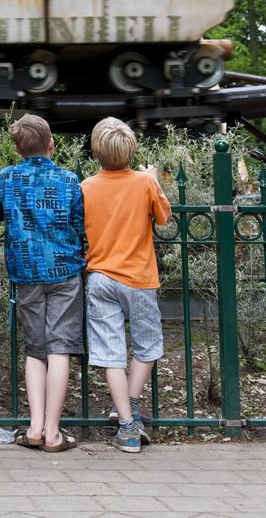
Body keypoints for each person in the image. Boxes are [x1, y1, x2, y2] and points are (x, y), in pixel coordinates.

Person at [0, 115, 84, 453]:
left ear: (16, 148)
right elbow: (78, 221)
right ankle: (54, 432)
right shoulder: (69, 179)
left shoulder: (8, 177)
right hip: (64, 271)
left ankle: (34, 426)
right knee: (60, 347)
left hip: (26, 270)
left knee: (35, 349)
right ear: (51, 144)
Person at [80, 117, 172, 454]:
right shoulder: (144, 182)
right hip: (139, 277)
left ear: (95, 152)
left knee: (111, 352)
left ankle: (127, 423)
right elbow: (164, 217)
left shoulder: (86, 187)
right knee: (147, 346)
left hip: (100, 276)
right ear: (132, 150)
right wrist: (153, 178)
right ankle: (130, 406)